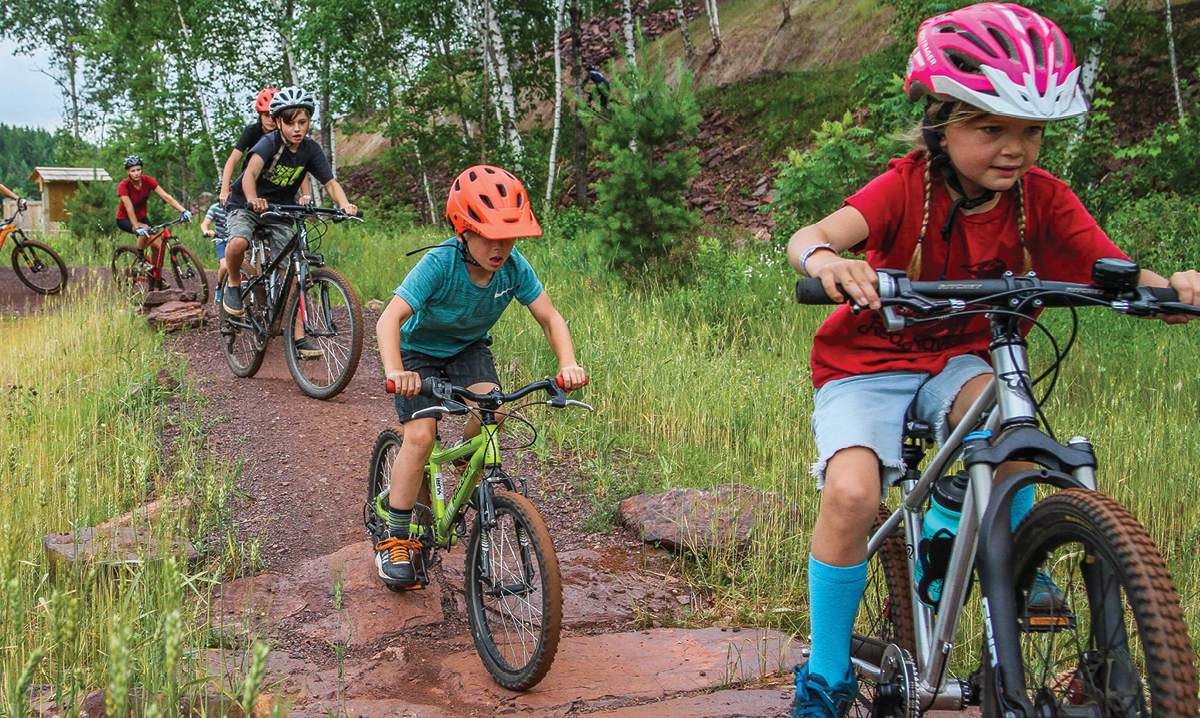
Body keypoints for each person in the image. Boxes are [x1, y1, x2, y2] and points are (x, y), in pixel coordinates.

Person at [784, 4, 1200, 716]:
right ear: (941, 123)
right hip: (869, 364)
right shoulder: (906, 186)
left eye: (1032, 131)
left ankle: (1013, 552)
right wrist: (827, 261)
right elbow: (812, 233)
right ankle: (825, 676)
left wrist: (1176, 290)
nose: (1015, 149)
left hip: (962, 357)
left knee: (1007, 423)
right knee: (853, 495)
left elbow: (1115, 271)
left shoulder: (1045, 201)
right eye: (991, 129)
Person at [373, 165, 587, 589]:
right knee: (419, 437)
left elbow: (550, 317)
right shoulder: (440, 264)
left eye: (510, 237)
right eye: (489, 235)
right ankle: (396, 538)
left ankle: (469, 462)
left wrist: (568, 363)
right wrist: (397, 371)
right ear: (463, 229)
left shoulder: (513, 268)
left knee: (495, 407)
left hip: (468, 348)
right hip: (419, 352)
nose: (501, 247)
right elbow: (388, 320)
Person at [221, 85, 357, 359]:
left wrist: (345, 205)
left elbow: (329, 182)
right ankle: (234, 285)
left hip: (280, 209)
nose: (297, 128)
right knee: (238, 241)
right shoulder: (267, 143)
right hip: (245, 204)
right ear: (279, 122)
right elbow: (249, 175)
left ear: (309, 121)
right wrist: (252, 198)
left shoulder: (310, 149)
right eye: (290, 122)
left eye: (303, 122)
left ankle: (297, 337)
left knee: (294, 271)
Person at [218, 88, 313, 207]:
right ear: (259, 115)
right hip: (252, 185)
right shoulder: (252, 132)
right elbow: (233, 160)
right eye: (266, 115)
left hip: (276, 189)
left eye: (273, 116)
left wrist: (306, 195)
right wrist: (224, 190)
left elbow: (298, 165)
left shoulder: (288, 135)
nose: (270, 120)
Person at [115, 156, 191, 267]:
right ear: (128, 171)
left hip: (142, 217)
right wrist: (136, 227)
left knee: (156, 247)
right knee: (144, 229)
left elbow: (166, 196)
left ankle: (156, 277)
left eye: (138, 170)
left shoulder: (147, 180)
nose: (136, 173)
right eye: (133, 171)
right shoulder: (124, 186)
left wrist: (183, 210)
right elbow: (129, 208)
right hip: (125, 219)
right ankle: (142, 260)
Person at [201, 182, 230, 304]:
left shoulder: (237, 207)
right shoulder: (215, 208)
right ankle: (219, 288)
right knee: (224, 266)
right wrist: (207, 231)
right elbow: (204, 223)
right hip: (221, 240)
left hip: (235, 240)